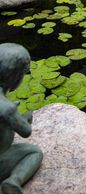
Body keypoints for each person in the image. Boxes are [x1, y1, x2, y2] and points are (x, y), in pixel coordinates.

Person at [0, 43, 43, 194]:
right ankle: (13, 181)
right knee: (34, 152)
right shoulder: (7, 108)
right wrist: (24, 118)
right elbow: (26, 131)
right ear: (15, 76)